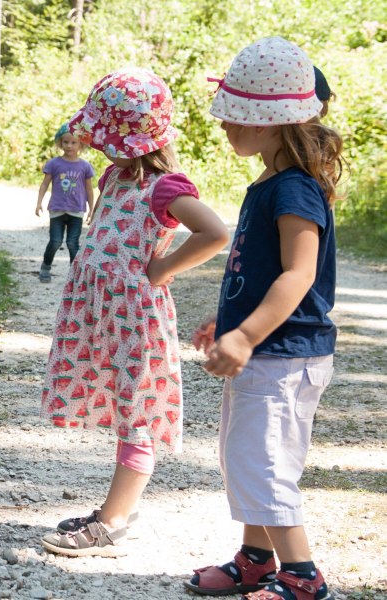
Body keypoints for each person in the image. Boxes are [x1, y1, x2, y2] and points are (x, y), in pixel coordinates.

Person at [37, 68, 230, 557]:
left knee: (135, 409)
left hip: (134, 317)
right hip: (102, 315)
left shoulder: (166, 188)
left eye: (106, 138)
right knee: (121, 403)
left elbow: (215, 232)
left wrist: (163, 266)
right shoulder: (115, 174)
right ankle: (115, 512)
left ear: (133, 139)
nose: (99, 147)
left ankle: (115, 523)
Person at [186, 37, 343, 600]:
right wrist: (229, 321)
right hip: (267, 351)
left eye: (234, 114)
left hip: (284, 355)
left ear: (269, 124)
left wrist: (249, 335)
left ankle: (302, 578)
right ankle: (256, 559)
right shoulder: (270, 183)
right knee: (245, 457)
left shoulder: (296, 188)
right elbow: (260, 272)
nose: (223, 123)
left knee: (268, 463)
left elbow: (299, 275)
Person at [34, 122, 97, 283]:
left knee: (72, 243)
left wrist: (91, 210)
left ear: (81, 144)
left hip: (76, 210)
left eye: (73, 142)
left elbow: (89, 190)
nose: (69, 146)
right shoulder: (54, 164)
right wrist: (39, 202)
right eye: (65, 142)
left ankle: (74, 276)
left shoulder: (85, 166)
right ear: (60, 143)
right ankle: (45, 267)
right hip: (57, 209)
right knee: (55, 241)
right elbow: (44, 184)